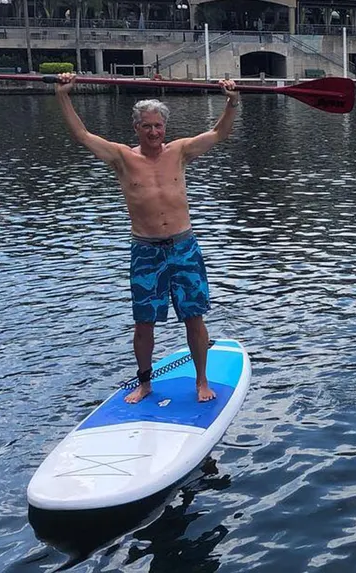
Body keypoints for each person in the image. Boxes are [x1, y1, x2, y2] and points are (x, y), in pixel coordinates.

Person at [53, 72, 241, 403]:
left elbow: (219, 133)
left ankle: (201, 381)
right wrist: (63, 96)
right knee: (144, 324)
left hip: (184, 247)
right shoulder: (122, 158)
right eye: (147, 126)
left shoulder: (180, 151)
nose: (153, 132)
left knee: (194, 318)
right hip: (146, 252)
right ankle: (145, 382)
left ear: (164, 128)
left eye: (158, 126)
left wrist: (231, 102)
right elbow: (82, 135)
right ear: (136, 128)